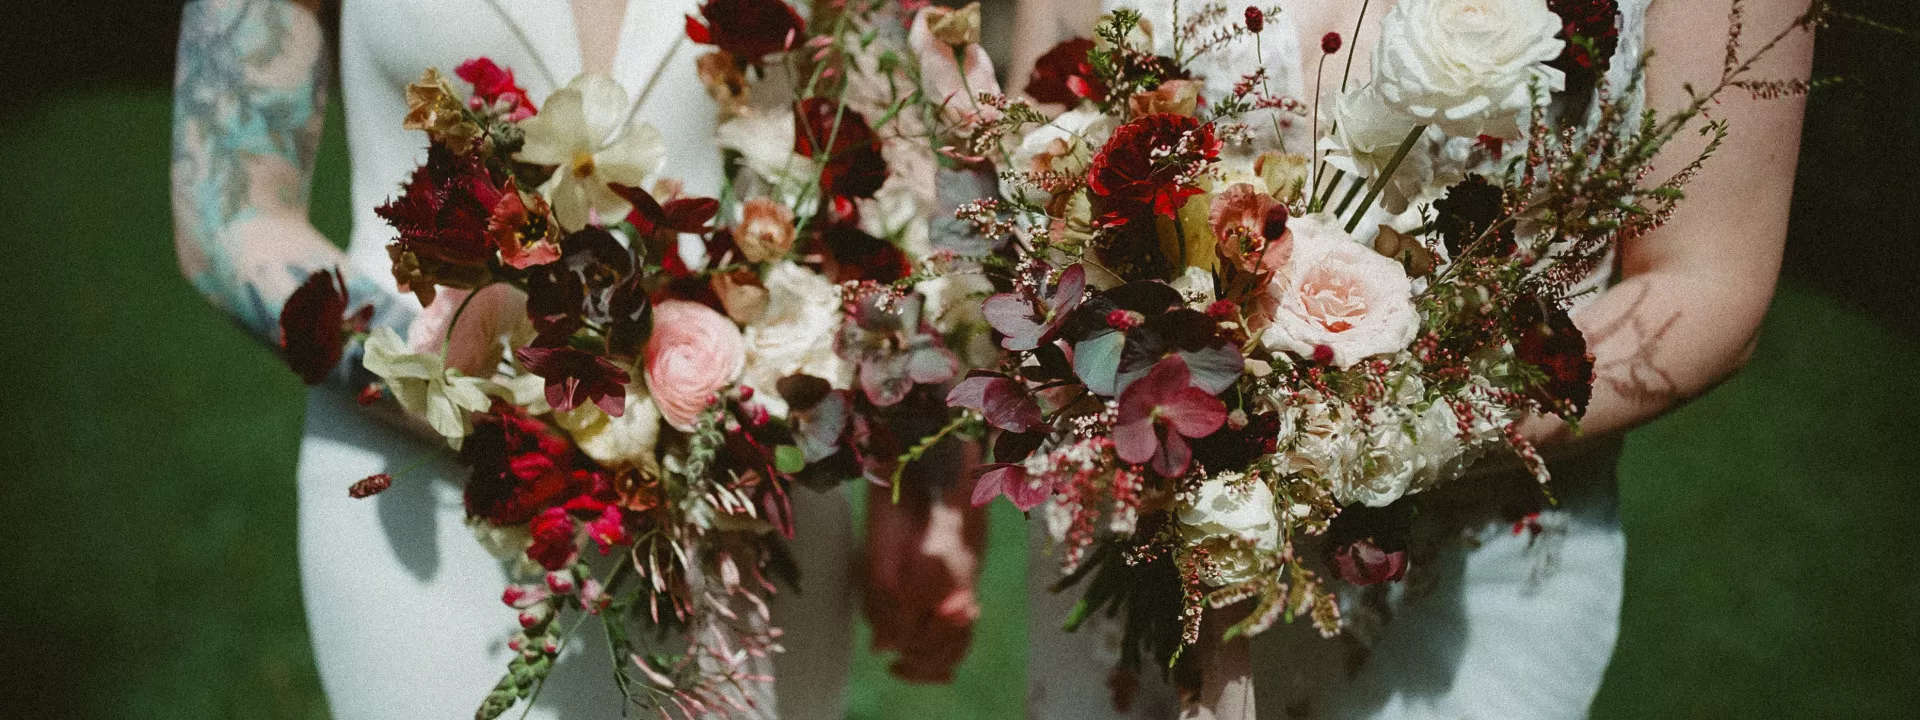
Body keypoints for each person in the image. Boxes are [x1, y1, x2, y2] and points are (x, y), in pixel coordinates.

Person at [170, 0, 985, 716]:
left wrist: (928, 482)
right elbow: (231, 213)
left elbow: (897, 172)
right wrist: (476, 389)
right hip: (436, 507)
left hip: (747, 497)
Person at [1003, 0, 1816, 718]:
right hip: (1131, 558)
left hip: (1447, 602)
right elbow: (1036, 152)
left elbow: (1707, 281)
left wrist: (1361, 441)